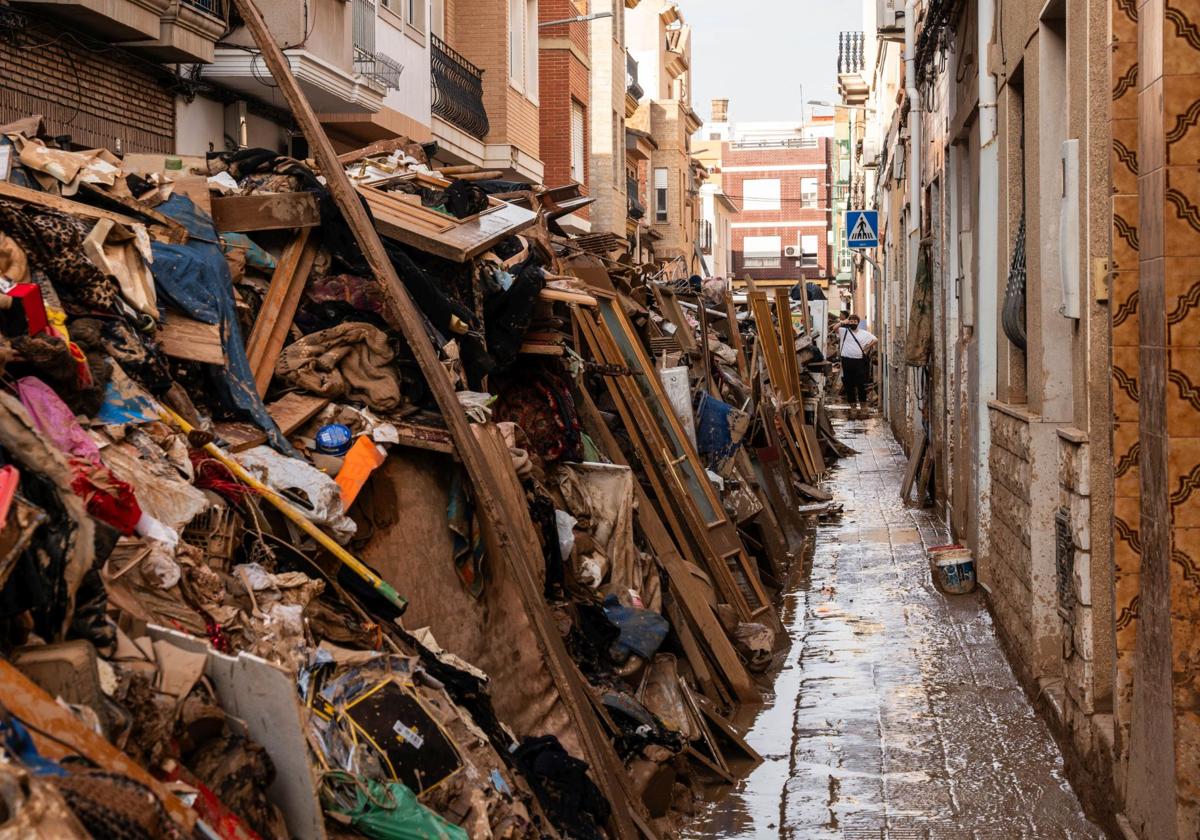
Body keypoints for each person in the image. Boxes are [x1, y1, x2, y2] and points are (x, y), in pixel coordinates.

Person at [837, 314, 877, 417]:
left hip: (859, 362)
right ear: (848, 322)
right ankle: (853, 407)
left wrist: (865, 348)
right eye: (851, 321)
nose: (853, 323)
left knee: (861, 384)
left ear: (858, 323)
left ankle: (863, 406)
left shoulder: (863, 333)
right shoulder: (844, 331)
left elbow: (875, 340)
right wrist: (843, 322)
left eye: (855, 321)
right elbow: (834, 328)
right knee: (849, 385)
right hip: (846, 361)